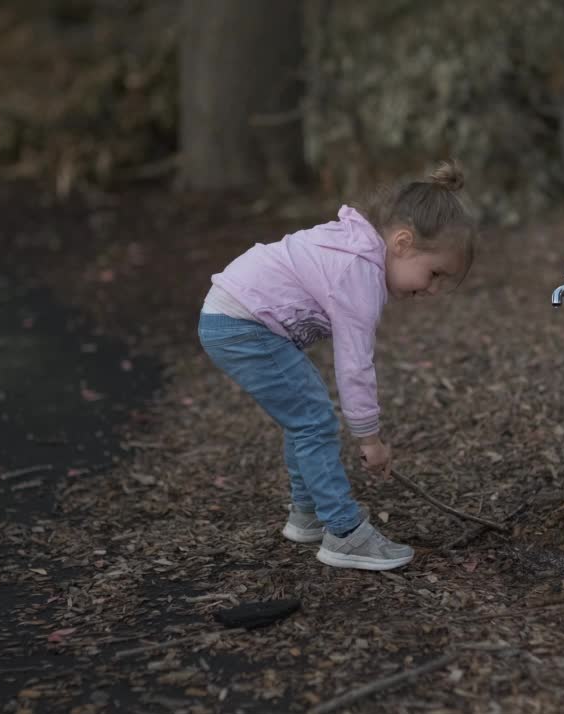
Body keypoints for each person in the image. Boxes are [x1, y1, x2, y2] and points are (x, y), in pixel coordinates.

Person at [197, 161, 478, 571]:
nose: (432, 289)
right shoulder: (358, 273)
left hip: (233, 317)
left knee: (305, 417)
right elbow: (354, 365)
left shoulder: (355, 246)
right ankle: (344, 533)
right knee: (312, 419)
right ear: (402, 242)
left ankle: (307, 514)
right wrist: (369, 438)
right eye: (434, 273)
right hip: (243, 323)